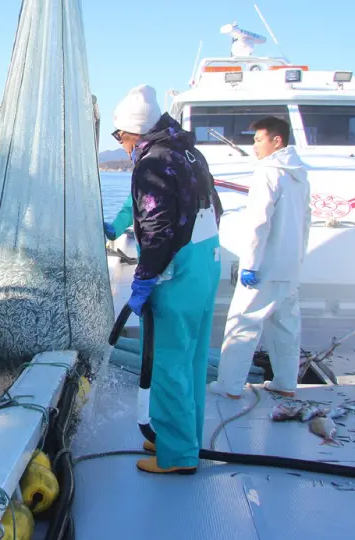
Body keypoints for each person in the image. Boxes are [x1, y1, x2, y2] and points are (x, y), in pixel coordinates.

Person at [112, 84, 222, 475]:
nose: (120, 144)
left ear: (133, 133)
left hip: (176, 273)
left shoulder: (153, 162)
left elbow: (157, 229)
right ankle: (180, 436)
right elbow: (215, 208)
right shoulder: (186, 151)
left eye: (119, 136)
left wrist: (144, 279)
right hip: (205, 264)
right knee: (190, 359)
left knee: (168, 362)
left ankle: (177, 456)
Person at [212, 117, 310, 400]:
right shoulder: (299, 174)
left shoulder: (268, 171)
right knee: (286, 325)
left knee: (244, 323)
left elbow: (258, 222)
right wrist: (298, 259)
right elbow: (306, 221)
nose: (253, 145)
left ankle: (229, 386)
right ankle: (286, 382)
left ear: (276, 140)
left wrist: (250, 264)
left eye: (258, 139)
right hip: (289, 266)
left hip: (264, 265)